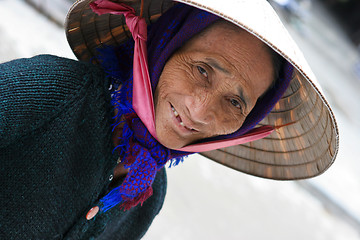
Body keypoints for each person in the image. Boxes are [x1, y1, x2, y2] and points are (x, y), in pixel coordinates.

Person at [0, 0, 338, 239]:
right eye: (202, 70)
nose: (201, 110)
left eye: (235, 102)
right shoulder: (52, 91)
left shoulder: (147, 194)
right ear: (164, 46)